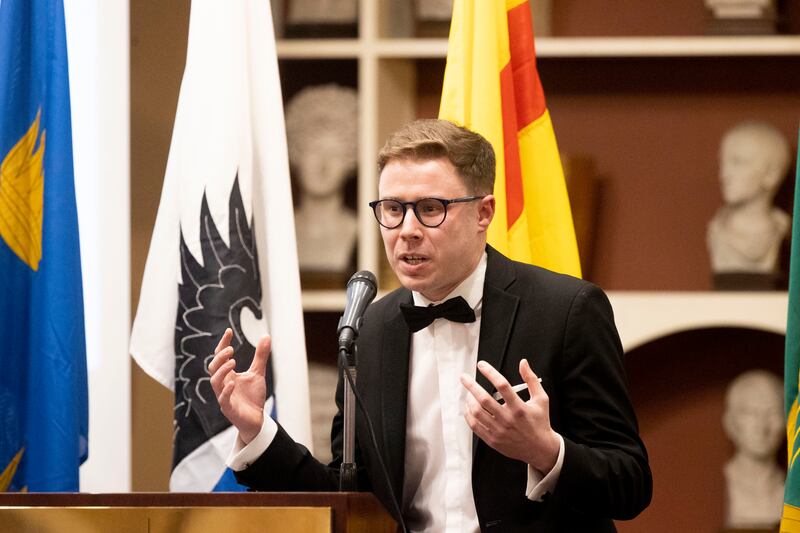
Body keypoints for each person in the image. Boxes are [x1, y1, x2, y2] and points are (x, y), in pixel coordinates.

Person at [209, 119, 652, 532]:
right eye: (392, 209)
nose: (407, 230)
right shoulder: (370, 330)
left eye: (430, 208)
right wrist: (257, 430)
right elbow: (353, 497)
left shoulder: (567, 310)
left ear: (483, 213)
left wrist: (546, 451)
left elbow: (630, 484)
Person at [285, 84, 358, 273]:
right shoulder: (280, 230)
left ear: (351, 161)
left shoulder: (360, 231)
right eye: (314, 150)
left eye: (335, 154)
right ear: (296, 152)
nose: (323, 165)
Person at [707, 120, 791, 274]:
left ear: (771, 174)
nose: (725, 174)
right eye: (723, 162)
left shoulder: (780, 228)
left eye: (738, 162)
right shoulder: (717, 229)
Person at [722, 370, 784, 529]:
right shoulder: (727, 484)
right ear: (730, 423)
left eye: (772, 413)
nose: (762, 427)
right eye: (751, 413)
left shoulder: (790, 489)